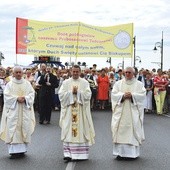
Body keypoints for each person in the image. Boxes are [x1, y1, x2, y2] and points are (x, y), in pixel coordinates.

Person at [58, 65, 95, 162]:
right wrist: (71, 93)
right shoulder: (66, 83)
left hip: (81, 111)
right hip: (69, 111)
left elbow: (88, 95)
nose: (75, 73)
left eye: (77, 72)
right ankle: (68, 154)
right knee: (68, 130)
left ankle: (80, 155)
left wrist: (78, 93)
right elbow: (61, 95)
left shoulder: (85, 82)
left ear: (79, 72)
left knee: (81, 129)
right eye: (73, 71)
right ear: (71, 71)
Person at [0, 66, 35, 159]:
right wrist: (16, 98)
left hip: (24, 110)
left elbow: (32, 94)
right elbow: (6, 96)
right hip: (13, 111)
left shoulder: (27, 84)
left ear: (22, 73)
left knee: (24, 128)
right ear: (13, 73)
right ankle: (13, 152)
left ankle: (22, 150)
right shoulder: (9, 84)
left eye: (20, 72)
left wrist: (26, 98)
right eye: (17, 72)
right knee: (13, 129)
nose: (19, 74)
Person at [111, 67, 146, 160]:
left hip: (133, 113)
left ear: (133, 73)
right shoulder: (118, 84)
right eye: (126, 72)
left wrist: (132, 96)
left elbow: (142, 95)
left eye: (129, 72)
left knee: (132, 131)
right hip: (121, 113)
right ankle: (120, 153)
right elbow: (113, 94)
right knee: (120, 131)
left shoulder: (139, 84)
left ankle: (132, 154)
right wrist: (122, 96)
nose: (127, 74)